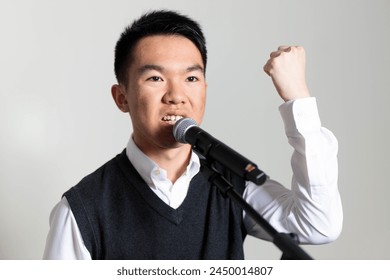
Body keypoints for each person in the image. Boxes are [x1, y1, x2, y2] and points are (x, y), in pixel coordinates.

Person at [43, 10, 343, 260]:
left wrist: (298, 99)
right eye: (156, 78)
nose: (177, 96)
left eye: (191, 78)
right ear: (122, 97)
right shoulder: (82, 209)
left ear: (204, 90)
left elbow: (318, 224)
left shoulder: (232, 183)